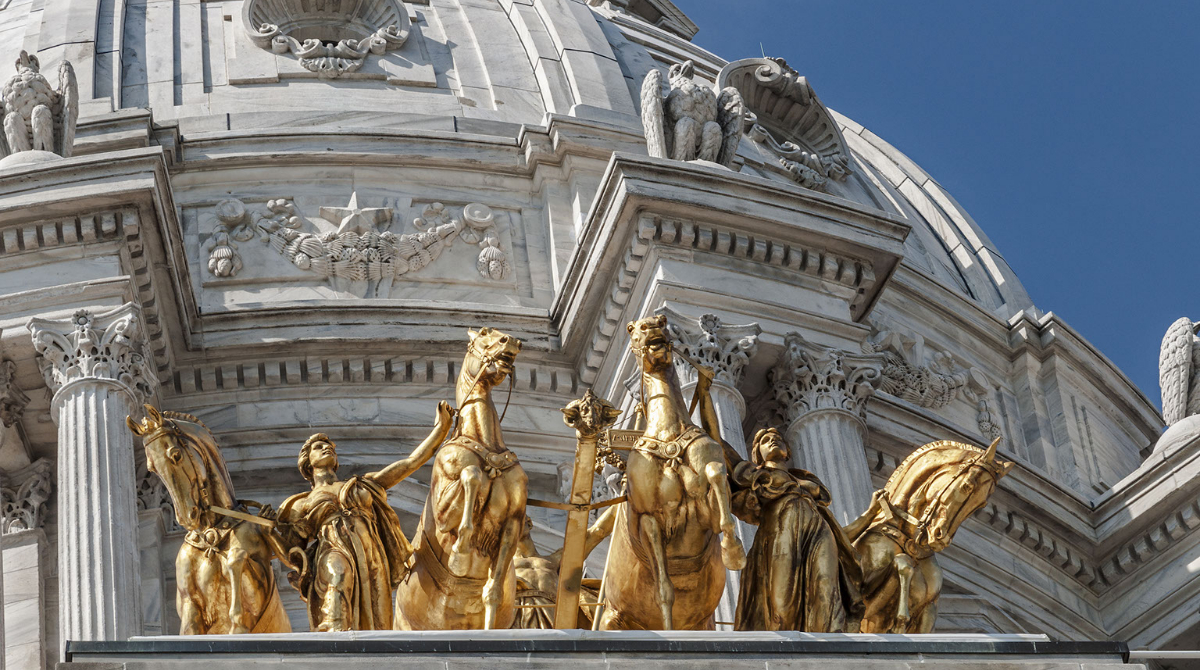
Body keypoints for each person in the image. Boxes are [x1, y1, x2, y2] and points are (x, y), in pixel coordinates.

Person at [275, 401, 454, 631]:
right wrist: (271, 531)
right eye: (318, 447)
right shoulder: (302, 503)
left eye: (329, 446)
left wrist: (441, 430)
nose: (327, 448)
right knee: (337, 575)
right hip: (333, 548)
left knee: (378, 620)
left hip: (371, 554)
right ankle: (332, 634)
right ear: (307, 462)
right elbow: (290, 552)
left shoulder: (362, 484)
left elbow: (410, 463)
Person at [729, 427, 856, 632]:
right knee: (781, 604)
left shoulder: (805, 479)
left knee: (827, 587)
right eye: (766, 440)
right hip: (780, 533)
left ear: (788, 452)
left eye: (777, 439)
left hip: (817, 529)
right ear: (757, 455)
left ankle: (834, 648)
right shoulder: (757, 478)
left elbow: (826, 504)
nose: (773, 441)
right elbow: (722, 449)